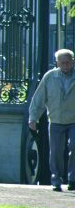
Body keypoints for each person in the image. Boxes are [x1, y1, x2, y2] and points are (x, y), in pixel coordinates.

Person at [28, 48, 75, 192]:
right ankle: (56, 179)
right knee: (55, 151)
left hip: (73, 119)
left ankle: (72, 178)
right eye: (62, 63)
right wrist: (33, 118)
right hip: (55, 119)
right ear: (57, 63)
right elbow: (39, 98)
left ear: (73, 62)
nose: (66, 66)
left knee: (74, 146)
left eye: (68, 63)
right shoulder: (50, 77)